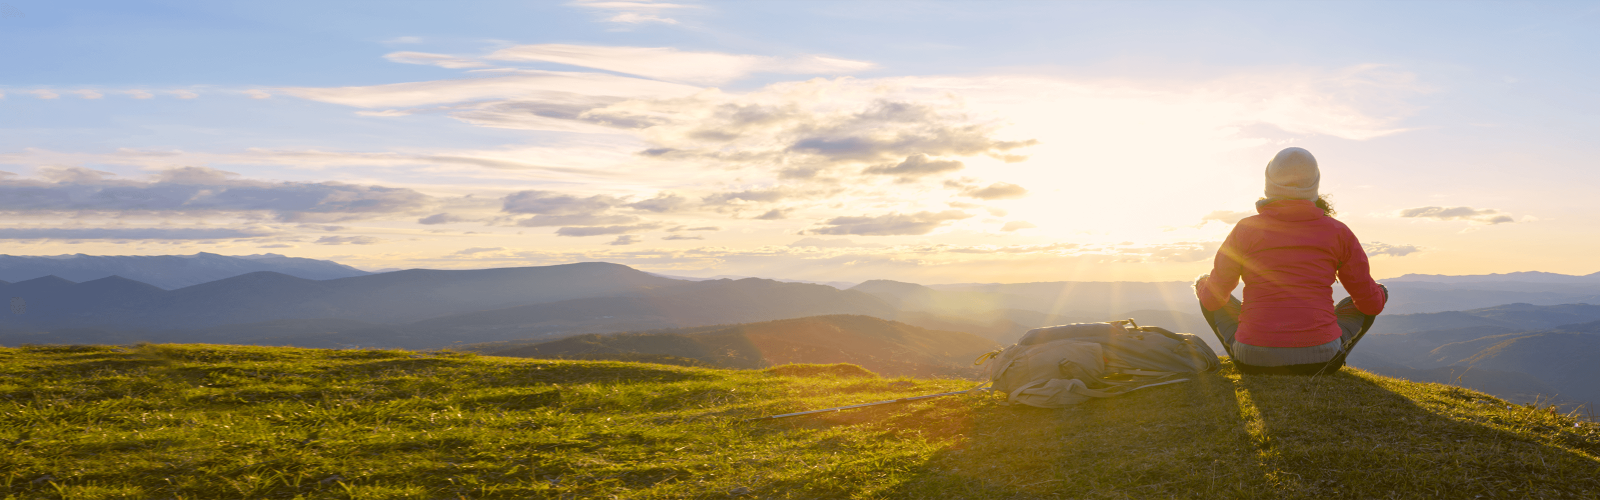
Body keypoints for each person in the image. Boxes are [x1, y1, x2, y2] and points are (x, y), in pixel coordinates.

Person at [1194, 147, 1388, 375]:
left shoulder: (1245, 229)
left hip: (1252, 360)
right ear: (1315, 183)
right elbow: (1370, 304)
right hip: (1322, 359)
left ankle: (1250, 348)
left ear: (1268, 182)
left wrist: (1202, 284)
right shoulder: (1339, 232)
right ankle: (1328, 347)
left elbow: (1212, 301)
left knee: (1207, 286)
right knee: (1377, 292)